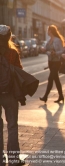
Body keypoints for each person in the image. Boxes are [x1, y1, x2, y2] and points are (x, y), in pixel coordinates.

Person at [0, 25, 25, 165]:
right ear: (9, 37)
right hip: (10, 93)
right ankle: (14, 159)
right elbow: (19, 72)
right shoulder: (13, 53)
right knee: (12, 126)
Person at [39, 25, 64, 103]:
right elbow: (47, 51)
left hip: (57, 62)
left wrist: (55, 53)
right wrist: (44, 50)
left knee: (50, 79)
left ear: (51, 31)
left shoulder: (57, 40)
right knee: (56, 79)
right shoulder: (48, 40)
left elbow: (62, 51)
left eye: (48, 30)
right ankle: (61, 96)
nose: (47, 31)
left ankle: (45, 96)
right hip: (50, 62)